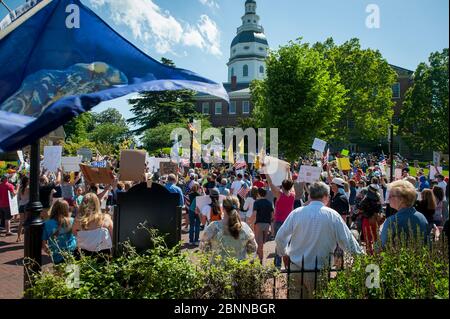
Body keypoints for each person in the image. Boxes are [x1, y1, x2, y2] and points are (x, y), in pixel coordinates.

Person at [275, 182, 363, 299]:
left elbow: (280, 237)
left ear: (309, 196)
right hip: (318, 272)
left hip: (296, 268)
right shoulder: (332, 215)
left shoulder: (296, 213)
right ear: (326, 196)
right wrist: (362, 259)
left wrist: (284, 253)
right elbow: (347, 241)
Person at [200, 196, 257, 261]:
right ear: (238, 208)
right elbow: (253, 248)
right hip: (240, 268)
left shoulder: (213, 227)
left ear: (223, 209)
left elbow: (202, 246)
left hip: (217, 269)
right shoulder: (245, 227)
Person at [380, 180, 429, 247]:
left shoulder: (393, 221)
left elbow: (381, 247)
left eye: (391, 195)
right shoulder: (422, 217)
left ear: (401, 199)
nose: (388, 198)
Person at [266, 168, 295, 268]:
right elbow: (291, 184)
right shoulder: (292, 195)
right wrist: (288, 172)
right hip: (290, 222)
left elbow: (270, 183)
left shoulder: (279, 194)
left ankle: (277, 265)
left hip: (279, 222)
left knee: (279, 244)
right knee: (290, 244)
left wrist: (266, 171)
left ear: (282, 186)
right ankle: (289, 264)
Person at [72, 193, 113, 258]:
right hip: (102, 256)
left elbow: (74, 234)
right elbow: (113, 236)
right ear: (97, 204)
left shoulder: (77, 220)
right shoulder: (106, 218)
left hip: (83, 255)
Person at [41, 199, 77, 264]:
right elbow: (78, 236)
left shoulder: (47, 223)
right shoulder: (72, 221)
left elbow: (43, 244)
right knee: (74, 273)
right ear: (67, 209)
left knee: (60, 273)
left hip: (57, 255)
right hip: (72, 252)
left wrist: (51, 252)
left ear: (54, 209)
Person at [359, 185, 384, 255]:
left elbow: (360, 209)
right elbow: (380, 209)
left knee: (368, 239)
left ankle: (370, 255)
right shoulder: (378, 198)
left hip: (367, 220)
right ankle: (376, 254)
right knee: (375, 238)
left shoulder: (365, 199)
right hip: (375, 220)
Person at [252, 188, 274, 263]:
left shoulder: (256, 202)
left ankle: (260, 258)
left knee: (259, 242)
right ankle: (260, 257)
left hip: (259, 223)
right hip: (267, 224)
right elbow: (272, 215)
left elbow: (254, 214)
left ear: (258, 194)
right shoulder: (269, 203)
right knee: (263, 243)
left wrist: (250, 222)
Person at [16, 175, 30, 242]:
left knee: (21, 222)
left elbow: (18, 197)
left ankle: (18, 237)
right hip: (26, 205)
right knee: (27, 222)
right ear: (27, 181)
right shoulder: (28, 188)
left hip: (21, 205)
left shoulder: (21, 188)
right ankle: (26, 237)